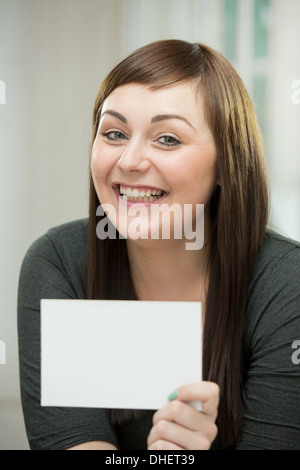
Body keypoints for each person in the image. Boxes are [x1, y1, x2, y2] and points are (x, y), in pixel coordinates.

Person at [17, 39, 300, 450]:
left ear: (226, 165)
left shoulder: (286, 284)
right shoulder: (58, 263)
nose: (130, 161)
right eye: (114, 133)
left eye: (167, 139)